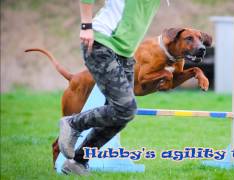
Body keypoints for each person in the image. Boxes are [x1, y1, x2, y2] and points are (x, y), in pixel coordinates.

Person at [58, 0, 161, 175]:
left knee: (123, 116)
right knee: (126, 109)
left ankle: (78, 161)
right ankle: (73, 123)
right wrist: (86, 26)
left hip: (125, 55)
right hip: (101, 43)